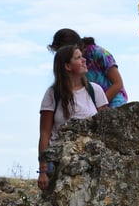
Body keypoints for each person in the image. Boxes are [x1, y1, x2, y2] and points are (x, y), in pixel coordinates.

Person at [38, 44, 108, 191]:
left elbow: (105, 128)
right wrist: (43, 170)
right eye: (78, 57)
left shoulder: (95, 91)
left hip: (90, 160)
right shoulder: (52, 94)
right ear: (68, 66)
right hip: (58, 161)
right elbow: (45, 133)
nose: (84, 60)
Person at [48, 28, 128, 108]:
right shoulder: (71, 64)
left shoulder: (98, 53)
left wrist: (97, 107)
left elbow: (118, 84)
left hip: (115, 104)